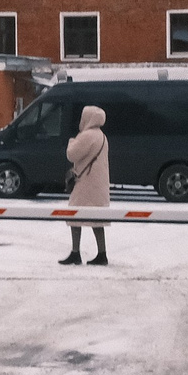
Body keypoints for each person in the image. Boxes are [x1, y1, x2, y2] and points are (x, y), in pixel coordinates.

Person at [59, 105, 111, 266]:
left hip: (85, 183)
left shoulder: (87, 136)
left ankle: (75, 253)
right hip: (98, 184)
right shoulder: (102, 136)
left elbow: (71, 154)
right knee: (97, 220)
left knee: (74, 215)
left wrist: (71, 141)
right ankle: (102, 254)